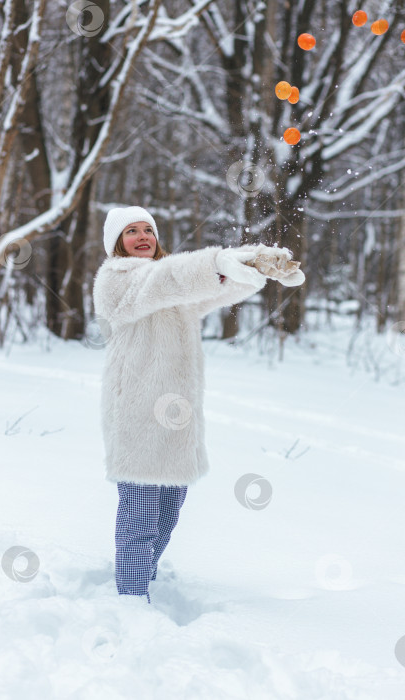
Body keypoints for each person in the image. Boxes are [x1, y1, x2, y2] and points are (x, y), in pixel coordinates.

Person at [92, 205, 305, 604]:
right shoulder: (116, 281)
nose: (142, 236)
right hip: (135, 417)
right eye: (131, 231)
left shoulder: (170, 286)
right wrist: (219, 261)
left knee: (168, 516)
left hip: (175, 420)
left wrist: (257, 266)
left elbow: (208, 287)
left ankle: (142, 578)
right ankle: (131, 600)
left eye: (148, 230)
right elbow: (167, 278)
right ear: (116, 244)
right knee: (139, 519)